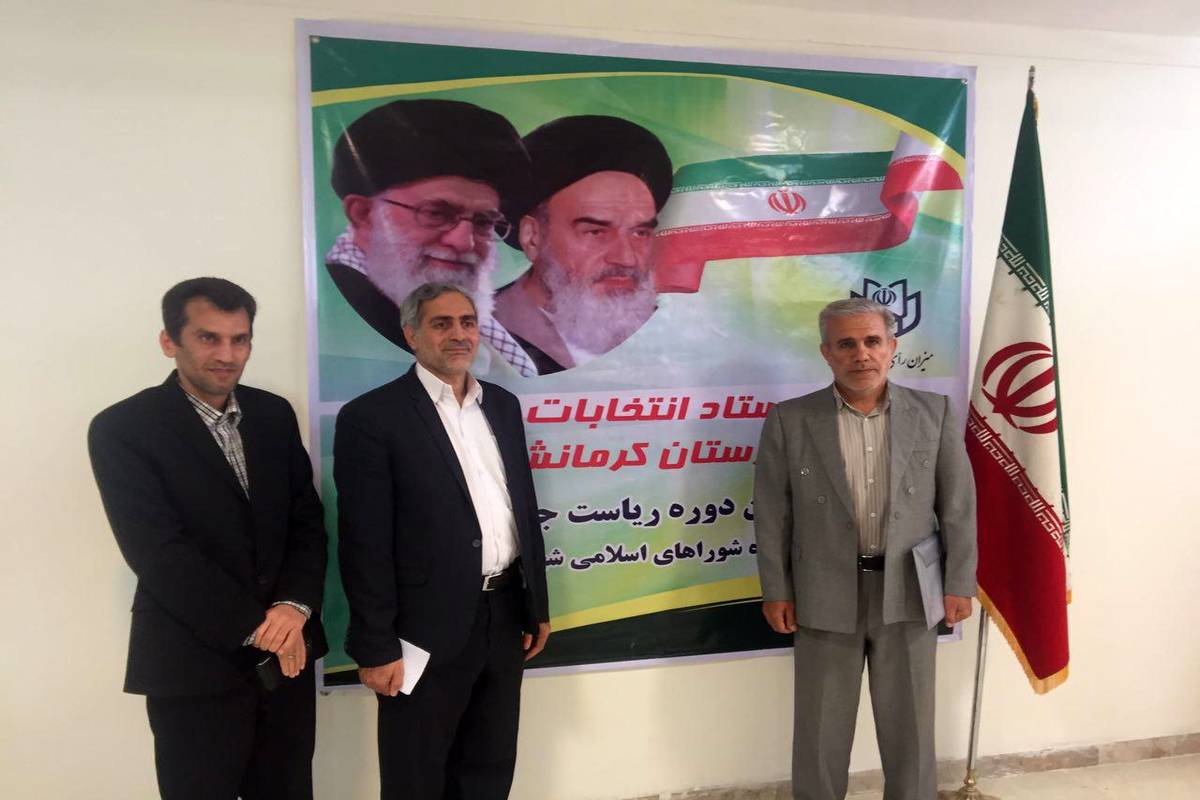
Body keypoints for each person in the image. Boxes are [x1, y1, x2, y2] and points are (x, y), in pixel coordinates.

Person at [87, 278, 328, 800]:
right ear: (168, 341)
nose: (227, 354)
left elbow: (307, 522)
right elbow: (158, 553)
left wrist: (293, 607)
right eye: (208, 338)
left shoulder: (273, 414)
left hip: (287, 661)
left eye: (240, 339)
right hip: (192, 666)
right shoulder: (122, 428)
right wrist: (261, 628)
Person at [753, 297, 977, 800]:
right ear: (826, 353)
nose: (861, 354)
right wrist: (777, 590)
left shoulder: (934, 413)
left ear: (892, 347)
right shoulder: (791, 420)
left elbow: (959, 507)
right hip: (822, 591)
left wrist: (960, 582)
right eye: (846, 344)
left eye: (872, 341)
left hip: (911, 591)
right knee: (820, 731)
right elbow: (771, 513)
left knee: (911, 727)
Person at [334, 282, 551, 800]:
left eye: (467, 323)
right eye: (441, 323)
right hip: (422, 629)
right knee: (416, 775)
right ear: (411, 335)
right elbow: (364, 543)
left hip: (503, 617)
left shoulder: (501, 406)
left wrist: (536, 606)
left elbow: (522, 510)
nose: (459, 334)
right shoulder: (373, 418)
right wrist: (376, 645)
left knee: (489, 767)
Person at [325, 98, 538, 377]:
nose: (464, 242)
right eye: (436, 214)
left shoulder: (486, 330)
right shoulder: (342, 310)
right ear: (364, 214)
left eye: (483, 222)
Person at [492, 115, 673, 374]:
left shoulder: (671, 332)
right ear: (532, 236)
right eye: (596, 232)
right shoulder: (477, 333)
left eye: (640, 232)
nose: (627, 258)